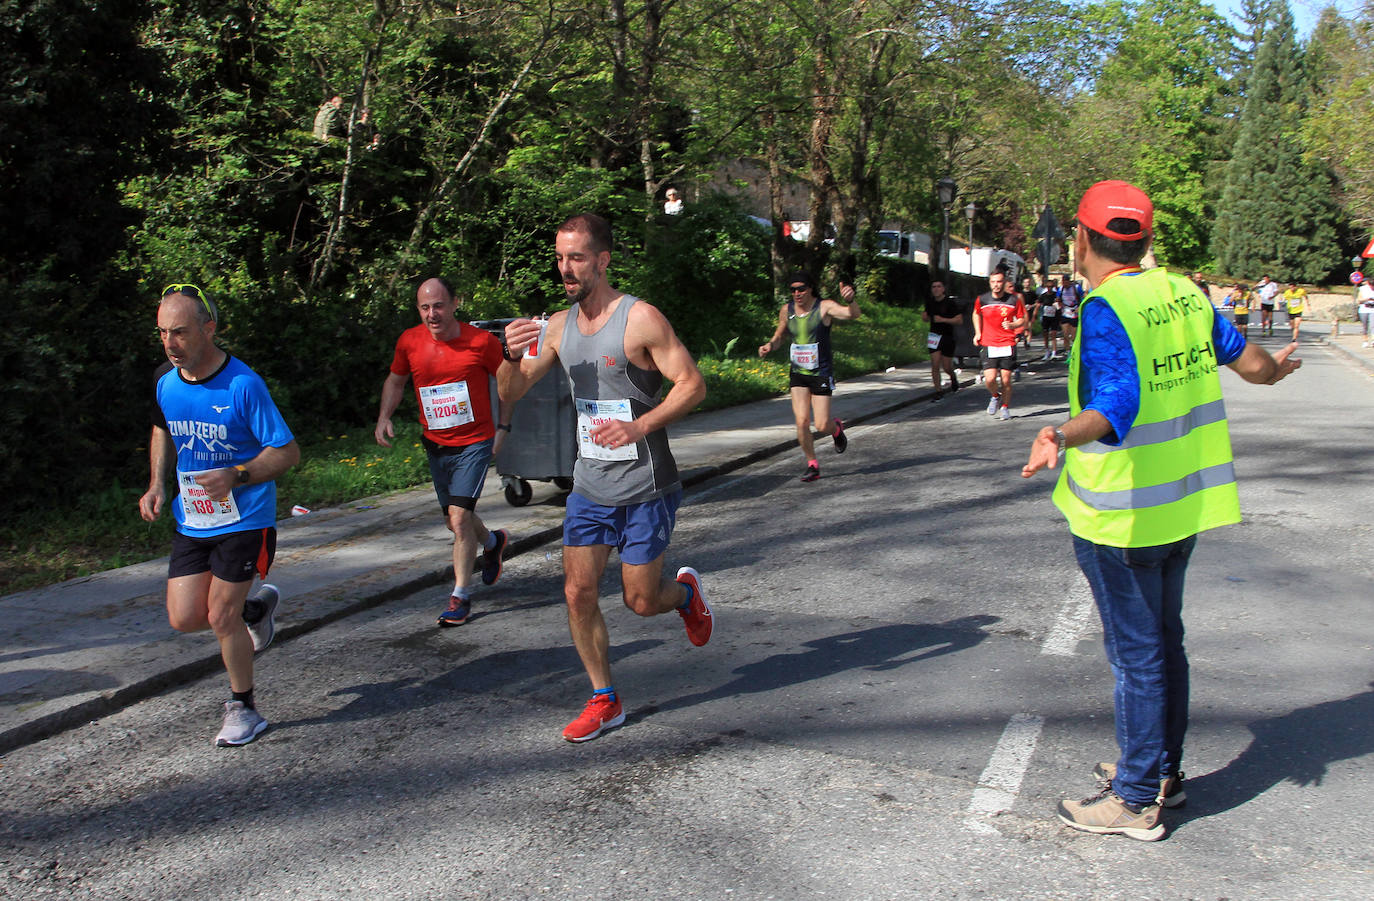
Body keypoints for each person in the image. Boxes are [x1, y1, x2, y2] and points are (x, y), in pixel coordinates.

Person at [1021, 181, 1301, 841]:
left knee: (1136, 653)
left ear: (1082, 239)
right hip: (1182, 505)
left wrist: (1060, 433)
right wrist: (1276, 372)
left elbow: (1117, 402)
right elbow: (1249, 361)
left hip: (1122, 513)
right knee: (1163, 641)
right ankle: (1161, 770)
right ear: (1145, 240)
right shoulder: (1183, 292)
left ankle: (1136, 795)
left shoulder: (1106, 307)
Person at [500, 213, 713, 742]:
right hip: (590, 486)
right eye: (559, 258)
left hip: (647, 487)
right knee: (577, 592)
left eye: (576, 258)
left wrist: (639, 424)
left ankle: (685, 595)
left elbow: (692, 385)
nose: (565, 269)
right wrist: (506, 356)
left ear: (602, 260)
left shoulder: (640, 319)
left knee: (640, 602)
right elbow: (511, 391)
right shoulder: (556, 327)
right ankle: (605, 699)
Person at [139, 284, 300, 747]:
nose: (170, 344)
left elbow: (287, 452)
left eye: (180, 333)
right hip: (194, 517)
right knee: (185, 618)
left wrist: (239, 474)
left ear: (208, 329)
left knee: (219, 615)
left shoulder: (242, 384)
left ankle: (243, 708)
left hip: (246, 518)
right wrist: (156, 484)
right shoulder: (164, 381)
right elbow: (161, 427)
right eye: (163, 334)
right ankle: (256, 608)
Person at [376, 278, 513, 627]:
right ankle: (493, 542)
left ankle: (460, 596)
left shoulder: (481, 342)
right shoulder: (410, 341)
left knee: (458, 519)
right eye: (424, 307)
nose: (432, 314)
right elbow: (395, 380)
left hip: (474, 441)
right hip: (436, 444)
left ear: (455, 303)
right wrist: (384, 417)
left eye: (438, 305)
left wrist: (503, 427)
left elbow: (507, 383)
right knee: (455, 518)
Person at [758, 270, 860, 480]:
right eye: (793, 289)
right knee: (802, 421)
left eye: (801, 289)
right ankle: (812, 464)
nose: (797, 293)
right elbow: (780, 335)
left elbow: (853, 314)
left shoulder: (825, 307)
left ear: (810, 288)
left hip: (821, 372)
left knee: (821, 424)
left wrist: (851, 300)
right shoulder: (787, 310)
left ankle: (836, 429)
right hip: (798, 373)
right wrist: (770, 345)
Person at [971, 270, 1027, 420]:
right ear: (990, 283)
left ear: (1004, 283)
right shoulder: (982, 299)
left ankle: (1005, 407)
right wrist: (978, 332)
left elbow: (1022, 319)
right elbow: (976, 313)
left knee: (1006, 379)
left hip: (1007, 342)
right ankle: (995, 396)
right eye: (993, 282)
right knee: (989, 379)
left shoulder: (1013, 300)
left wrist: (1013, 324)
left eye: (999, 282)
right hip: (989, 342)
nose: (996, 285)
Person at [921, 278, 962, 396]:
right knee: (935, 363)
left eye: (938, 286)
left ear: (943, 289)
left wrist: (943, 320)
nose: (936, 289)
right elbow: (926, 316)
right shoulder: (930, 302)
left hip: (948, 336)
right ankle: (938, 391)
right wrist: (925, 317)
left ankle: (953, 377)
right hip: (934, 335)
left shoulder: (950, 303)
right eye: (933, 287)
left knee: (946, 366)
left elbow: (959, 320)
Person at [1039, 277, 1062, 361]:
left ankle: (1054, 352)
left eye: (1051, 286)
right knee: (1045, 334)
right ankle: (1047, 351)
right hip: (1046, 316)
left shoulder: (1056, 295)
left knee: (1053, 334)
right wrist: (1034, 316)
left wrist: (1058, 303)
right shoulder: (1043, 296)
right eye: (1048, 286)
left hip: (1054, 317)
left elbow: (1060, 305)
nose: (1049, 288)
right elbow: (1038, 304)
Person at [1058, 274, 1082, 346]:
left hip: (1074, 311)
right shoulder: (1061, 289)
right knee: (1065, 334)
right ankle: (1067, 351)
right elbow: (1058, 299)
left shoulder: (1076, 287)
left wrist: (1079, 307)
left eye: (1066, 282)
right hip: (1065, 311)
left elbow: (1083, 297)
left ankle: (1073, 349)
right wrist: (1059, 305)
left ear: (1069, 281)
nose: (1064, 284)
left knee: (1073, 336)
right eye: (1063, 282)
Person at [1357, 278, 1374, 346]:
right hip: (1364, 308)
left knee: (1373, 325)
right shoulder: (1362, 289)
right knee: (1365, 326)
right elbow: (1359, 300)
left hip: (1372, 308)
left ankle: (1373, 340)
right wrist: (1367, 299)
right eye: (1371, 285)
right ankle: (1365, 340)